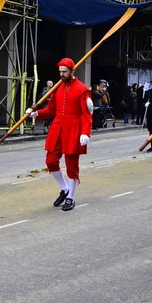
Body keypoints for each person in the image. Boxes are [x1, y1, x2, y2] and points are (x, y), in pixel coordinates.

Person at [26, 58, 92, 211]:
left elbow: (87, 114)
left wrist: (85, 132)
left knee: (71, 165)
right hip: (57, 129)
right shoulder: (57, 87)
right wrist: (36, 113)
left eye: (65, 72)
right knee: (50, 160)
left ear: (72, 71)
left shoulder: (83, 89)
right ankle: (64, 188)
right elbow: (50, 110)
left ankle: (71, 197)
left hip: (74, 130)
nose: (62, 74)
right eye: (60, 72)